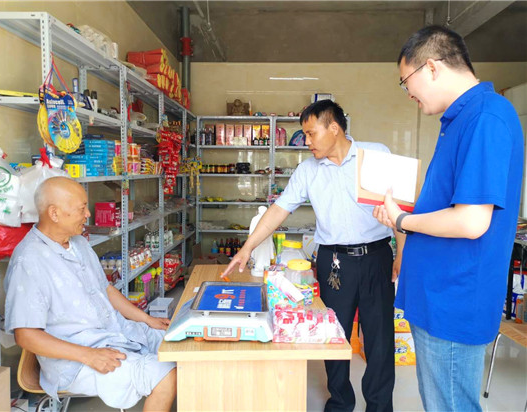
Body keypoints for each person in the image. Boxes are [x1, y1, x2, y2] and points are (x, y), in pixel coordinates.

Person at [373, 25, 524, 412]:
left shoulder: (486, 117)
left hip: (454, 300)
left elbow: (471, 221)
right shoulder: (461, 119)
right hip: (438, 296)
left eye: (406, 80)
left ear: (431, 67)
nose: (408, 92)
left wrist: (402, 221)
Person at [222, 99, 405, 412]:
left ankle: (379, 406)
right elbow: (279, 209)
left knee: (380, 338)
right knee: (333, 334)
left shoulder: (375, 155)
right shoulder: (307, 170)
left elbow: (398, 206)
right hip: (334, 262)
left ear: (334, 128)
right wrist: (247, 247)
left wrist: (402, 253)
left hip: (377, 257)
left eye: (310, 133)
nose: (306, 141)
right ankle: (340, 403)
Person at [4, 177, 176, 411]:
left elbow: (105, 289)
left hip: (115, 333)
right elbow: (25, 335)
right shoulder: (29, 261)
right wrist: (88, 355)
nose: (88, 214)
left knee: (179, 344)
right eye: (82, 208)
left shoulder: (79, 244)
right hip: (76, 358)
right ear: (54, 213)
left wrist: (147, 319)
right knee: (166, 375)